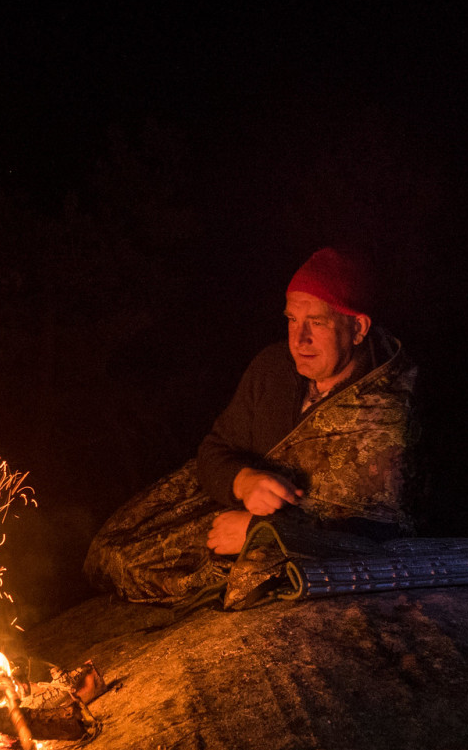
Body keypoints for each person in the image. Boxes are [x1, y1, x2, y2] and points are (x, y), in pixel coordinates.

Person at [83, 247, 417, 604]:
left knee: (254, 573)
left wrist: (261, 532)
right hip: (240, 514)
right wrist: (243, 481)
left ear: (358, 327)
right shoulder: (273, 369)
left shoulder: (386, 406)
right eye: (291, 320)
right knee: (112, 550)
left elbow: (380, 529)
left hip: (295, 539)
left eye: (317, 323)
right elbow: (215, 449)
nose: (299, 339)